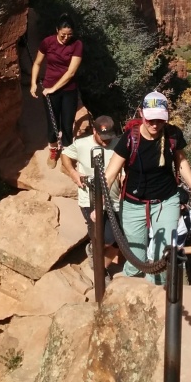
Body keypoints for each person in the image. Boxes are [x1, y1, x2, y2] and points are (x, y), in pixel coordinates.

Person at [103, 91, 191, 286]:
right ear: (142, 114)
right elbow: (109, 174)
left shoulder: (172, 135)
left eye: (160, 120)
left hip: (165, 201)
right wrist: (99, 204)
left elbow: (182, 162)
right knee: (136, 258)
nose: (155, 124)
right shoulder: (129, 139)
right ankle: (126, 291)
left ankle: (157, 296)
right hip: (134, 204)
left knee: (163, 255)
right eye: (150, 119)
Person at [61, 115, 121, 276]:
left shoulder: (118, 144)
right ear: (94, 130)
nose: (106, 141)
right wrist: (73, 172)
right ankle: (96, 255)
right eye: (102, 138)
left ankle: (101, 269)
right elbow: (65, 155)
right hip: (89, 199)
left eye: (109, 137)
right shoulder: (81, 144)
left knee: (117, 239)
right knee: (102, 238)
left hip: (114, 199)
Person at [30, 17, 83, 165]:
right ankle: (53, 151)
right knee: (53, 126)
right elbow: (37, 63)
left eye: (69, 35)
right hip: (50, 89)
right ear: (57, 31)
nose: (66, 38)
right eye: (63, 35)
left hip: (68, 90)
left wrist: (53, 88)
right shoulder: (48, 42)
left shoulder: (77, 45)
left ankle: (67, 156)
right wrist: (33, 83)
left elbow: (71, 72)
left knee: (67, 125)